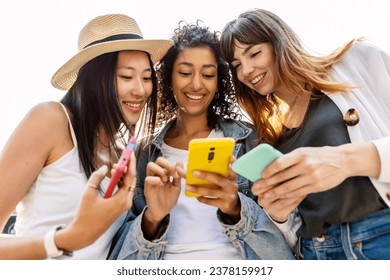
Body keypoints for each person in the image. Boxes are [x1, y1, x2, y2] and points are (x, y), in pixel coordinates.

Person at [108, 21, 294, 260]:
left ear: (218, 82)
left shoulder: (250, 141)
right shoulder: (144, 154)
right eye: (185, 73)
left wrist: (235, 208)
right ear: (168, 77)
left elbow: (288, 239)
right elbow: (119, 256)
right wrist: (153, 217)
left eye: (207, 74)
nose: (196, 84)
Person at [220, 8, 390, 259]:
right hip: (316, 253)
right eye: (236, 66)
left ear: (279, 44)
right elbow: (293, 232)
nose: (246, 71)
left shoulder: (357, 61)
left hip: (378, 237)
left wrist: (346, 160)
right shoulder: (270, 137)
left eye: (254, 53)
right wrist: (279, 215)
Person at [0, 14, 172, 259]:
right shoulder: (51, 120)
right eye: (126, 77)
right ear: (94, 79)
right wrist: (64, 240)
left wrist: (154, 216)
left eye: (146, 78)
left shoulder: (123, 155)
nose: (141, 90)